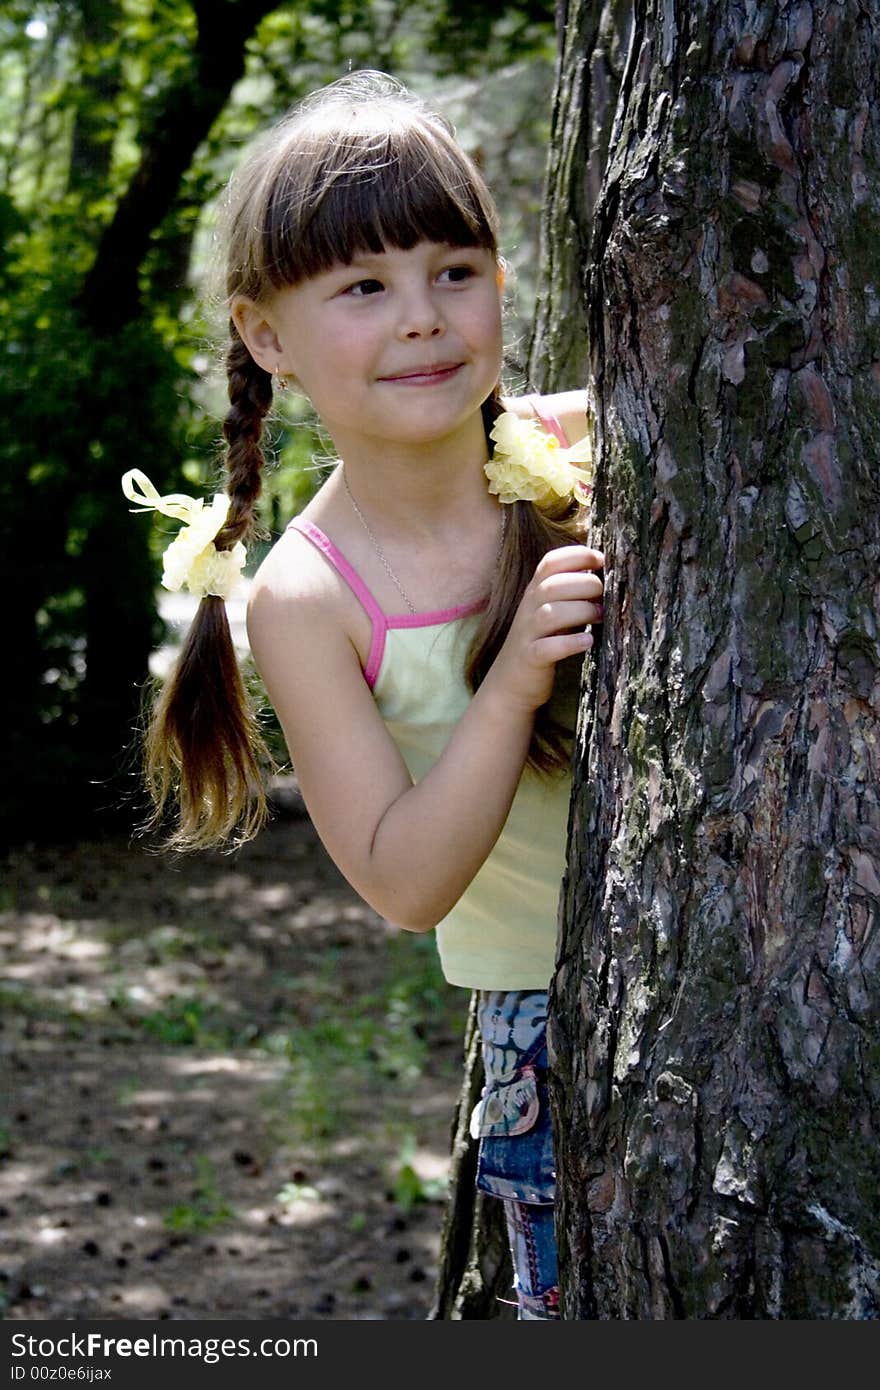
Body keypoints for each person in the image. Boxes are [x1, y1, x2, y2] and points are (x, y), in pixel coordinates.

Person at [122, 71, 604, 1320]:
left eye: (455, 268)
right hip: (554, 1020)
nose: (423, 319)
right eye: (362, 287)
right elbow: (400, 881)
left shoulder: (569, 458)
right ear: (267, 336)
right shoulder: (309, 597)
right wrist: (509, 685)